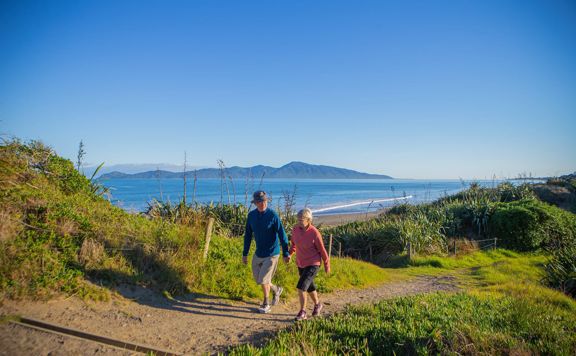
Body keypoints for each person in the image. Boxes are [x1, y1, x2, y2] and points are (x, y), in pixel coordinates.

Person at [243, 190, 290, 313]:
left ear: (266, 201)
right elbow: (247, 235)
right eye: (259, 201)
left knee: (263, 279)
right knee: (259, 279)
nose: (262, 203)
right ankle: (276, 289)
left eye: (264, 201)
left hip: (272, 253)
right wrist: (245, 253)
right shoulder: (251, 216)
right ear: (255, 203)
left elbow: (282, 235)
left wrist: (286, 253)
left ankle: (266, 303)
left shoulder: (273, 215)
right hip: (259, 253)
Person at [288, 208, 330, 321]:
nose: (299, 222)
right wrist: (290, 254)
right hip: (301, 263)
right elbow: (293, 244)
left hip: (313, 263)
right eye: (298, 219)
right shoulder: (295, 229)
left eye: (301, 220)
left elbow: (322, 250)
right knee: (309, 286)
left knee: (301, 287)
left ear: (308, 220)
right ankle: (318, 304)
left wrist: (327, 264)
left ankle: (303, 312)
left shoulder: (314, 233)